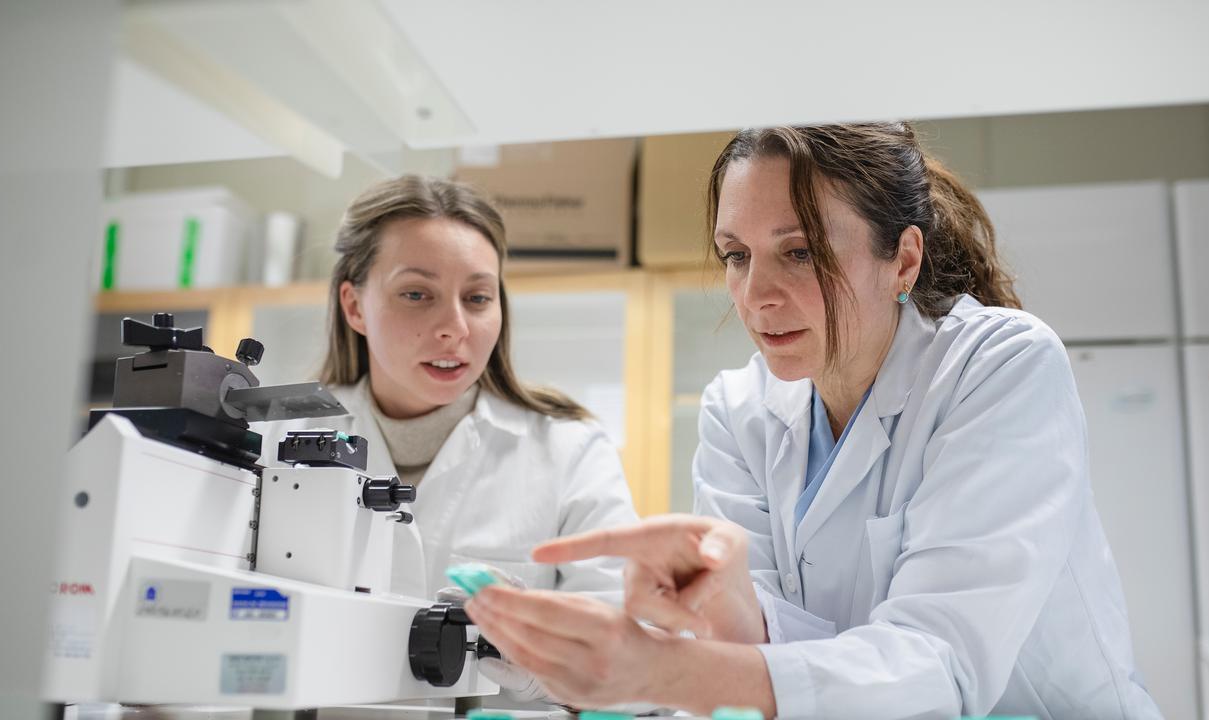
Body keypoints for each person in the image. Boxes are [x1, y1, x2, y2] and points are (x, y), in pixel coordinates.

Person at [463, 123, 1163, 719]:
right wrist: (720, 606)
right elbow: (782, 653)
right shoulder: (739, 410)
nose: (755, 294)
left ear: (904, 260)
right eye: (736, 256)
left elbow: (943, 662)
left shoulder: (999, 365)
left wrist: (662, 670)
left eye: (799, 252)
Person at [256, 175, 639, 697]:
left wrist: (540, 661)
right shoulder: (273, 439)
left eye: (478, 297)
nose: (454, 327)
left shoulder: (570, 452)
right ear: (354, 306)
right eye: (417, 294)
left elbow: (634, 666)